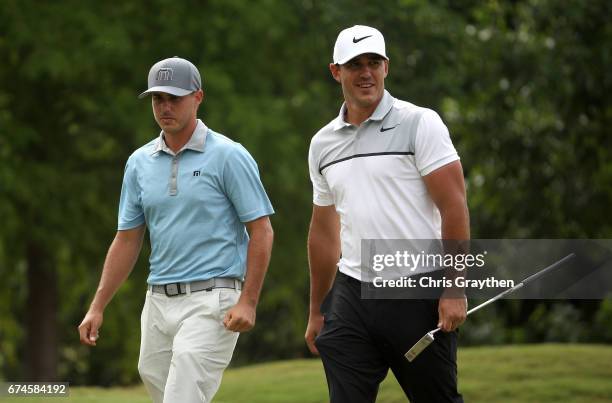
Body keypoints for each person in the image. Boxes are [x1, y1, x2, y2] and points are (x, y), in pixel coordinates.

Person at [78, 57, 274, 403]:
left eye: (175, 98)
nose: (165, 107)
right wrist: (97, 305)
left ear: (198, 97)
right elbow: (127, 238)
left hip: (213, 299)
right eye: (158, 99)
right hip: (156, 302)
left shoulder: (229, 155)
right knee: (161, 389)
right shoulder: (139, 163)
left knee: (182, 395)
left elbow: (262, 231)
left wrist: (249, 301)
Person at [305, 25, 469, 402]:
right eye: (355, 64)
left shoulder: (419, 123)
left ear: (386, 67)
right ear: (336, 72)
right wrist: (317, 309)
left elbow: (454, 205)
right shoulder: (322, 143)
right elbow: (324, 231)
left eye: (374, 63)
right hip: (351, 293)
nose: (366, 73)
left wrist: (455, 285)